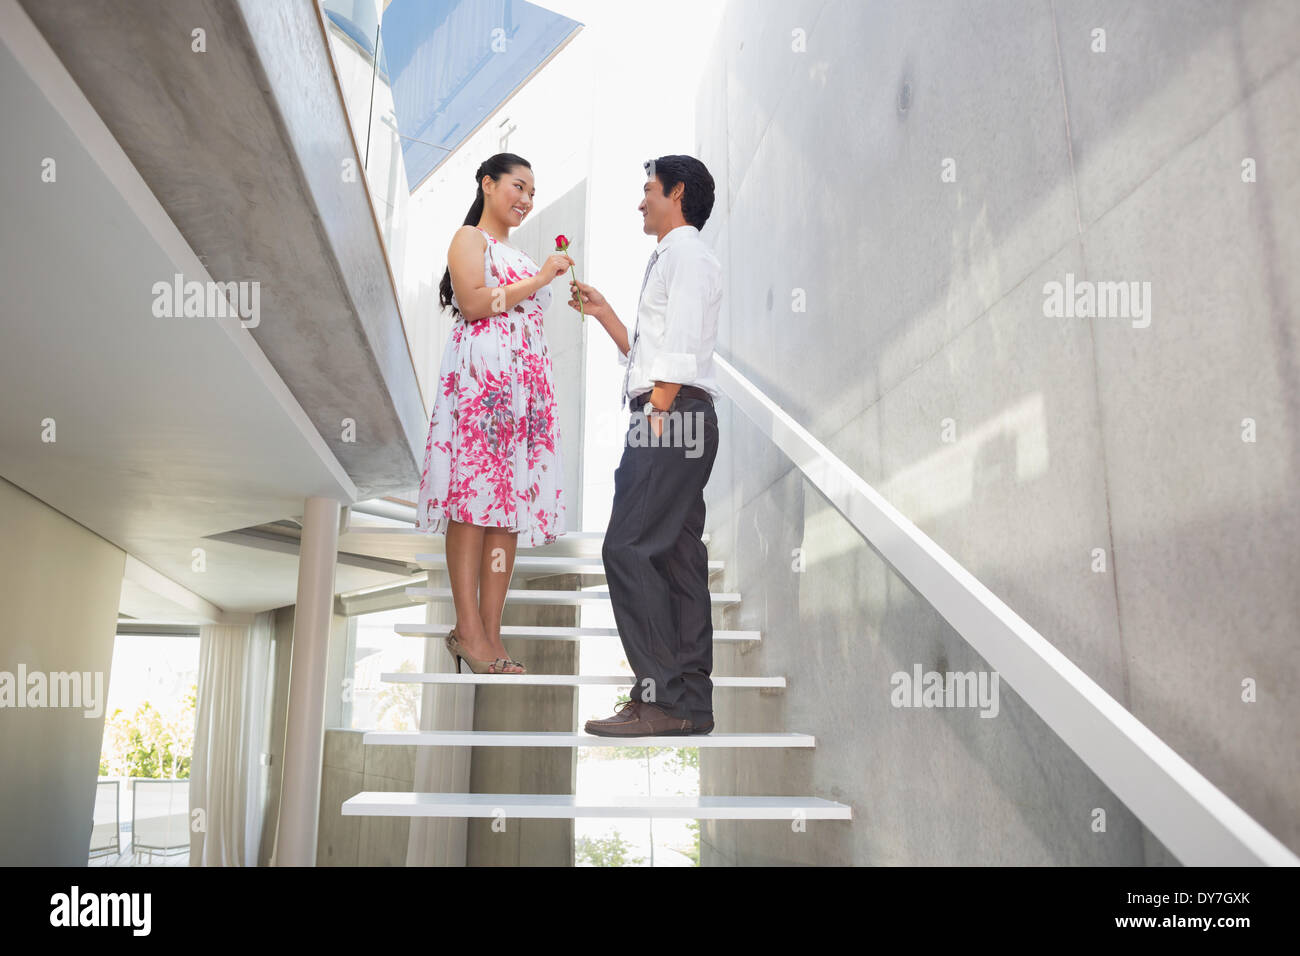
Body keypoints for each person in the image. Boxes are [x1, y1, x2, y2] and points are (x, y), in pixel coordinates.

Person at [567, 155, 723, 735]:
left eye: (648, 189)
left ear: (676, 192)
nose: (640, 201)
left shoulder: (683, 252)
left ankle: (657, 697)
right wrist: (607, 314)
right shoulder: (679, 256)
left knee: (626, 547)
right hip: (679, 412)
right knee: (679, 558)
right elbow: (655, 349)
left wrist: (655, 412)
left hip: (669, 415)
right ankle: (690, 707)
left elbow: (679, 342)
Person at [416, 152, 572, 675]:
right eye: (518, 187)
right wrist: (540, 280)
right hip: (482, 388)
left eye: (532, 192)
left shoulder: (521, 256)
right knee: (471, 503)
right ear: (488, 184)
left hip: (524, 393)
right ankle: (466, 629)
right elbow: (477, 303)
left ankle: (490, 632)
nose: (526, 200)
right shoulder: (469, 239)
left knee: (505, 513)